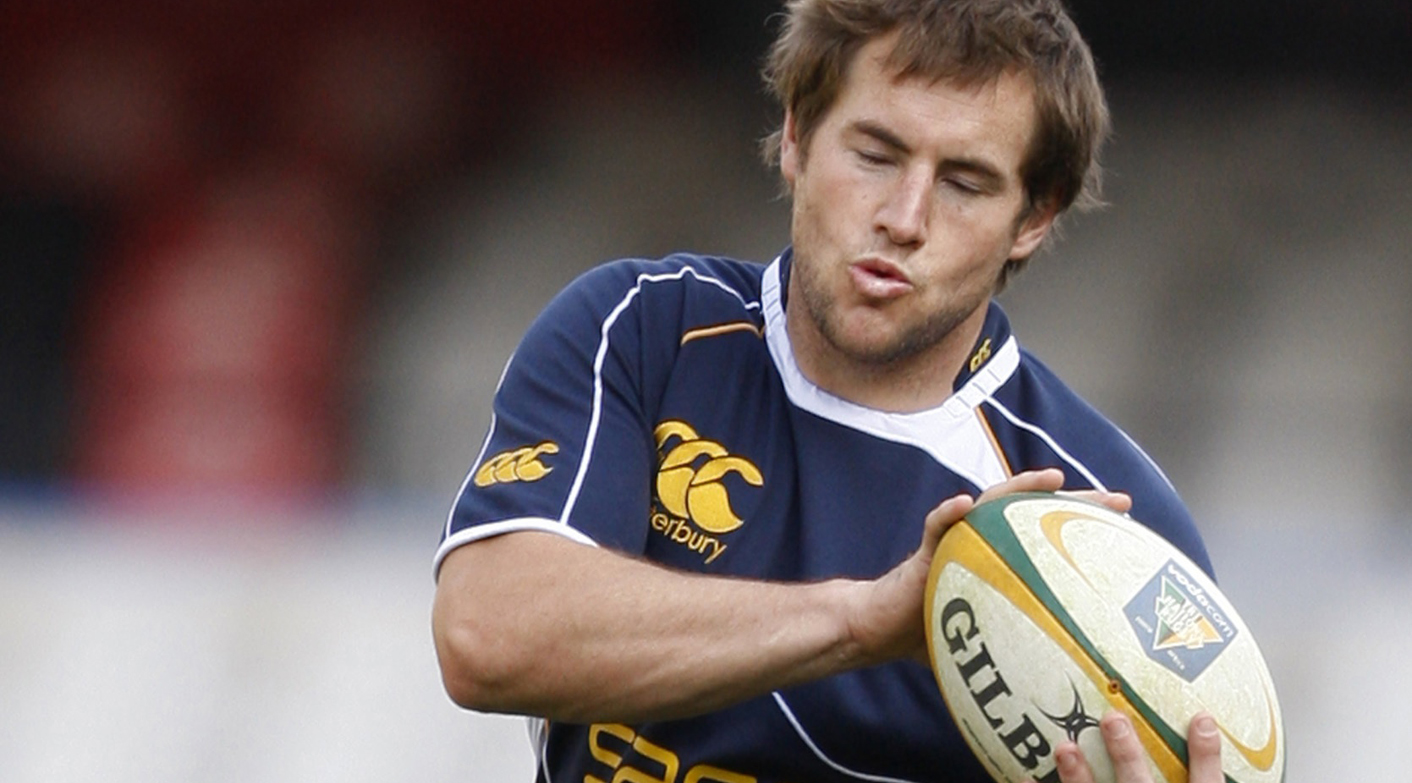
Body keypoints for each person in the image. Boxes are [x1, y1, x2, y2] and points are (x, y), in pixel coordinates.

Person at [431, 1, 1225, 781]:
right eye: (876, 155)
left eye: (965, 183)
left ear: (1033, 218)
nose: (904, 217)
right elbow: (486, 635)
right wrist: (862, 621)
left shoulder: (1102, 520)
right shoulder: (645, 330)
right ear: (796, 138)